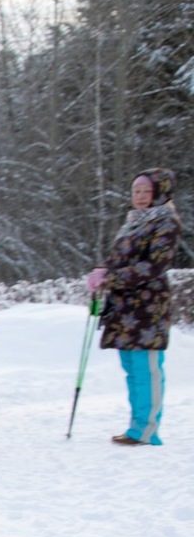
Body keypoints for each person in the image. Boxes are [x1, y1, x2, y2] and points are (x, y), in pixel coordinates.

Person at [86, 167, 180, 446]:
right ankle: (136, 425)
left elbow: (153, 265)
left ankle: (147, 429)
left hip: (148, 306)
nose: (139, 197)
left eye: (146, 191)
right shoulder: (134, 221)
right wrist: (103, 271)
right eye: (136, 191)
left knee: (146, 367)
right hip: (126, 307)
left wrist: (112, 277)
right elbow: (123, 259)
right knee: (131, 366)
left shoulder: (166, 222)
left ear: (160, 193)